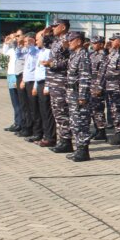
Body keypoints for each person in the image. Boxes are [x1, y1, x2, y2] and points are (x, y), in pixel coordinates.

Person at [43, 19, 73, 153]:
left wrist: (52, 64)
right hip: (54, 81)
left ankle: (66, 141)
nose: (53, 28)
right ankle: (63, 140)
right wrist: (46, 33)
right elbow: (46, 44)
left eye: (55, 26)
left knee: (62, 112)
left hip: (62, 82)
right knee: (57, 112)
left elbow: (71, 61)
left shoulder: (69, 40)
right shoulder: (56, 40)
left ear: (63, 27)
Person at [94, 33, 120, 146]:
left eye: (114, 40)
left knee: (119, 111)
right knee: (113, 111)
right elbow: (103, 71)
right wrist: (99, 86)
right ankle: (118, 133)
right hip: (109, 87)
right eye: (111, 40)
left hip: (118, 86)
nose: (111, 42)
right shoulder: (112, 53)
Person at [65, 31, 92, 162]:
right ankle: (79, 149)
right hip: (72, 94)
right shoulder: (74, 55)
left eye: (71, 40)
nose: (69, 43)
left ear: (79, 41)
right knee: (75, 123)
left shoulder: (83, 56)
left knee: (81, 123)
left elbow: (84, 77)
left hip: (79, 95)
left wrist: (82, 96)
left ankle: (83, 151)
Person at [34, 32, 56, 147]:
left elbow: (49, 71)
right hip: (40, 83)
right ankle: (45, 135)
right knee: (43, 112)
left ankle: (50, 137)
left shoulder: (48, 52)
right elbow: (38, 70)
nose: (36, 41)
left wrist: (47, 86)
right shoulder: (41, 52)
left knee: (47, 113)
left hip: (45, 84)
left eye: (38, 39)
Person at [21, 33, 42, 142]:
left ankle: (37, 132)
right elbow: (18, 52)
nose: (26, 44)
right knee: (29, 108)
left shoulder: (36, 51)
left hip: (34, 82)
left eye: (27, 41)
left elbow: (33, 51)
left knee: (35, 109)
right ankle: (34, 130)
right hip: (28, 81)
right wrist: (23, 80)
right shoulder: (28, 52)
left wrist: (32, 44)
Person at [2, 30, 23, 132]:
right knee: (14, 101)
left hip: (17, 75)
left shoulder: (22, 49)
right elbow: (4, 52)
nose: (16, 38)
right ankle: (17, 122)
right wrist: (6, 42)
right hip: (11, 75)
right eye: (16, 35)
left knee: (19, 101)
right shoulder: (12, 49)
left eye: (18, 36)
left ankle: (20, 123)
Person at [88, 35, 108, 141]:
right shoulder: (92, 54)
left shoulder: (104, 56)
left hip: (98, 85)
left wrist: (99, 87)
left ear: (101, 44)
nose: (92, 45)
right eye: (92, 43)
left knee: (98, 109)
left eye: (95, 43)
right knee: (93, 109)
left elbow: (103, 73)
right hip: (91, 84)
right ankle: (97, 129)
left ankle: (101, 131)